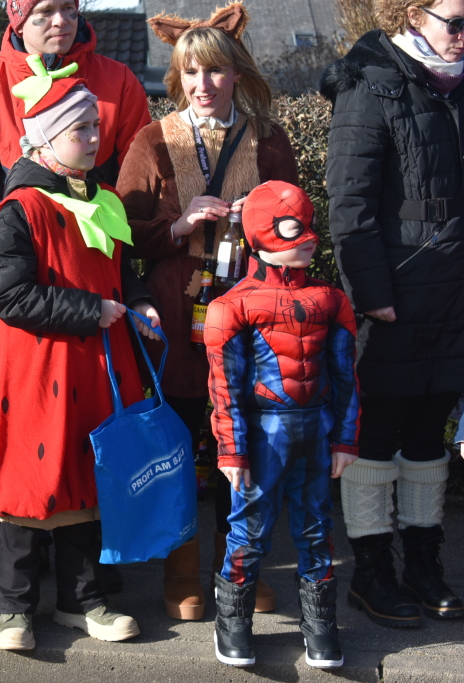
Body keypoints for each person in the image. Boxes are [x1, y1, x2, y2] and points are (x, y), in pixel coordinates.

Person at [0, 64, 161, 652]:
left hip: (95, 371)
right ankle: (14, 611)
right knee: (27, 490)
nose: (93, 136)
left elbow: (122, 271)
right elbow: (8, 294)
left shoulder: (105, 199)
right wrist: (91, 311)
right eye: (79, 128)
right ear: (43, 138)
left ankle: (81, 600)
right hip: (37, 376)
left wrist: (139, 302)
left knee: (89, 483)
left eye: (95, 126)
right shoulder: (20, 210)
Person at [118, 2, 297, 620]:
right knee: (178, 445)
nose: (203, 85)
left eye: (215, 72)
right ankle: (180, 575)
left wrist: (261, 220)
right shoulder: (151, 139)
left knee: (243, 444)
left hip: (252, 320)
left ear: (237, 74)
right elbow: (121, 233)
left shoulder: (270, 141)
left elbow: (298, 226)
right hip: (175, 321)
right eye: (190, 74)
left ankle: (239, 568)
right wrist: (177, 225)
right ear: (177, 78)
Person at [321, 0, 464, 626]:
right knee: (377, 438)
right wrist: (372, 293)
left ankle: (426, 565)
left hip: (456, 298)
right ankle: (373, 573)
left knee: (430, 432)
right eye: (455, 22)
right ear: (414, 15)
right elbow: (349, 204)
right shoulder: (370, 81)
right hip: (398, 298)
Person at [205, 181, 360, 669]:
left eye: (311, 225)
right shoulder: (231, 305)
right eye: (297, 228)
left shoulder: (331, 300)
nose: (311, 236)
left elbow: (345, 377)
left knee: (317, 530)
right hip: (263, 433)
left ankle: (320, 625)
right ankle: (232, 621)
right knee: (249, 532)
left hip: (314, 432)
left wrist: (346, 439)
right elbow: (224, 387)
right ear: (262, 234)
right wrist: (231, 451)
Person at [0, 0, 150, 240]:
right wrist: (8, 251)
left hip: (100, 254)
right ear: (20, 23)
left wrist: (117, 242)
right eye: (45, 11)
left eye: (69, 7)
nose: (61, 20)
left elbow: (139, 175)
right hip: (20, 259)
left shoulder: (120, 81)